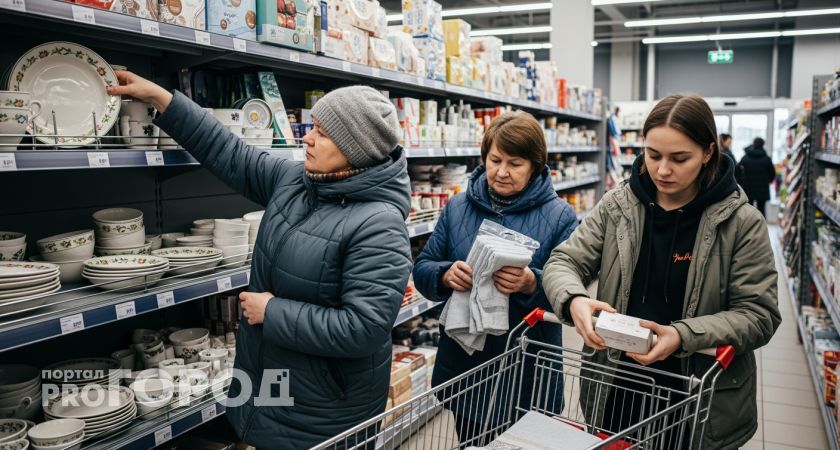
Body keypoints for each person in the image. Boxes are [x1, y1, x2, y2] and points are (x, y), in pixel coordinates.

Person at [106, 73, 413, 448]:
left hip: (324, 412)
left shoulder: (380, 225)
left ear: (357, 149)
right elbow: (228, 151)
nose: (308, 138)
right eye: (312, 126)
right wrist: (162, 99)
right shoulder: (298, 183)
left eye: (324, 133)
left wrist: (273, 312)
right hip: (273, 387)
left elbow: (363, 329)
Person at [542, 94, 780, 450]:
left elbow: (759, 315)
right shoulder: (618, 205)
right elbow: (564, 261)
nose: (662, 170)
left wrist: (682, 335)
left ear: (708, 153)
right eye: (653, 155)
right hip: (616, 385)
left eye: (679, 158)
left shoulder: (742, 223)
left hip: (696, 395)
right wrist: (574, 299)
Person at [412, 111, 578, 447]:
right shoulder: (458, 207)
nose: (501, 172)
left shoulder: (560, 216)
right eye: (494, 159)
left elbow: (572, 288)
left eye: (514, 163)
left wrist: (531, 283)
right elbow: (423, 266)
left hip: (526, 365)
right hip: (467, 363)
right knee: (471, 439)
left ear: (535, 165)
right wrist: (445, 275)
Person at [736, 137, 776, 217]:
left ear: (753, 144)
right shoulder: (766, 159)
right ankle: (761, 228)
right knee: (761, 210)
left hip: (748, 187)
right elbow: (772, 173)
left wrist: (741, 181)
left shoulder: (745, 158)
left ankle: (747, 228)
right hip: (762, 188)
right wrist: (768, 181)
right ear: (763, 145)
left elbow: (737, 171)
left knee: (747, 210)